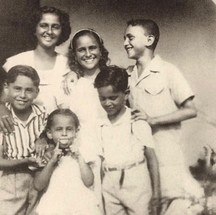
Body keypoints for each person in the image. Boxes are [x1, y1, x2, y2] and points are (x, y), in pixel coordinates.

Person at [123, 19, 204, 213]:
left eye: (130, 37)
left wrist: (153, 120)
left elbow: (191, 110)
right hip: (141, 162)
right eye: (124, 38)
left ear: (149, 39)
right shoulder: (128, 75)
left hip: (167, 159)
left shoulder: (168, 71)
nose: (125, 42)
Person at [94, 66, 160, 215]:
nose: (107, 103)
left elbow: (152, 158)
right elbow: (100, 162)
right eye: (102, 98)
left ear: (125, 94)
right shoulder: (100, 124)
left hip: (136, 181)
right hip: (110, 182)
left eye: (113, 97)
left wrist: (156, 194)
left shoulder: (136, 120)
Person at [0, 6, 72, 133]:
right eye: (44, 25)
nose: (49, 31)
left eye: (55, 26)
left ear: (62, 31)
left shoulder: (68, 65)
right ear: (35, 29)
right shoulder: (15, 62)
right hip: (17, 135)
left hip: (57, 136)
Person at [61, 28, 110, 212]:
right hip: (85, 153)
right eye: (82, 50)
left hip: (113, 148)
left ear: (100, 49)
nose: (88, 54)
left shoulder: (112, 78)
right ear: (74, 54)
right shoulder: (71, 84)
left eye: (93, 48)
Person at [34, 109, 101, 215]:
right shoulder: (46, 155)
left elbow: (89, 181)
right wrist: (52, 161)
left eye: (69, 129)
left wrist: (79, 157)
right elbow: (38, 185)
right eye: (59, 129)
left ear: (76, 132)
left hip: (82, 205)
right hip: (55, 206)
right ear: (50, 133)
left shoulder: (82, 152)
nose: (64, 134)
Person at [0, 65, 47, 215]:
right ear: (7, 87)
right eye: (17, 88)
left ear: (36, 92)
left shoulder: (43, 115)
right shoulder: (3, 118)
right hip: (11, 180)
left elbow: (54, 133)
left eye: (28, 90)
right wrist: (26, 161)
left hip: (40, 178)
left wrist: (43, 137)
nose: (22, 95)